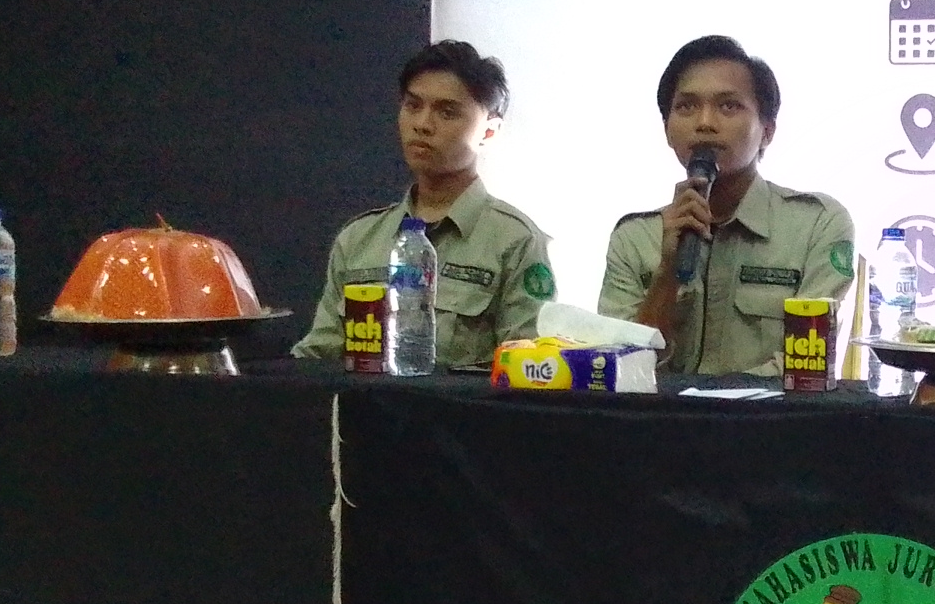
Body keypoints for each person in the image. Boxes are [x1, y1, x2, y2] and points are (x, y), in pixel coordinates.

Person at [600, 34, 853, 375]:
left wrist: (716, 404)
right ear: (667, 130)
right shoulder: (634, 238)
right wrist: (668, 273)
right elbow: (617, 370)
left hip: (768, 411)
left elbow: (806, 369)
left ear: (767, 131)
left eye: (728, 106)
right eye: (686, 107)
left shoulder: (816, 225)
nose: (704, 123)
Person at [294, 39, 555, 369]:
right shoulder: (360, 239)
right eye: (413, 106)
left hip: (463, 403)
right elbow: (319, 356)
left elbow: (528, 369)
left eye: (447, 112)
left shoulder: (515, 241)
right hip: (366, 403)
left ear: (489, 131)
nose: (422, 124)